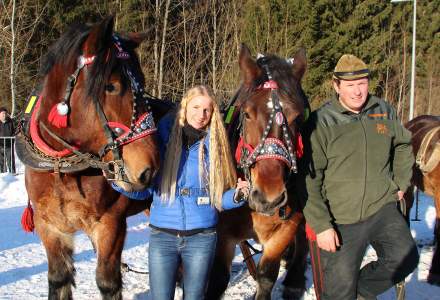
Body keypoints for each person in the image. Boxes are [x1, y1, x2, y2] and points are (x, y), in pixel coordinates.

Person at [113, 85, 249, 300]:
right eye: (196, 107)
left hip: (202, 238)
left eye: (207, 110)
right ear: (184, 107)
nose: (201, 115)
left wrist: (237, 196)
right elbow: (144, 194)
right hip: (162, 237)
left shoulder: (216, 147)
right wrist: (119, 182)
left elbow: (219, 198)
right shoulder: (161, 141)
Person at [303, 54, 419, 300]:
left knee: (405, 257)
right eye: (350, 85)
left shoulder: (383, 110)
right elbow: (309, 179)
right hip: (341, 219)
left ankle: (361, 291)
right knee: (337, 293)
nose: (358, 91)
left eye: (362, 83)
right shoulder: (321, 121)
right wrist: (322, 226)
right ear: (336, 86)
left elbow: (403, 145)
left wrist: (399, 183)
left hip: (381, 208)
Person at [0, 107, 16, 174]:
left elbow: (13, 131)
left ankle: (12, 173)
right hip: (0, 145)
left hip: (9, 144)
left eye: (5, 113)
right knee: (1, 161)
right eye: (2, 114)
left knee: (10, 160)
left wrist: (13, 138)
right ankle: (2, 174)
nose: (4, 115)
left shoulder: (10, 121)